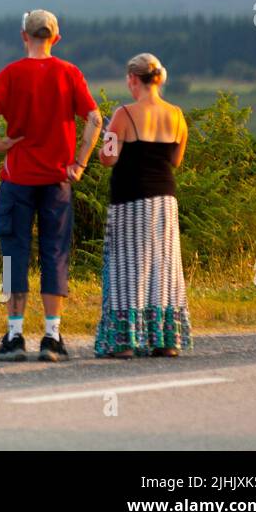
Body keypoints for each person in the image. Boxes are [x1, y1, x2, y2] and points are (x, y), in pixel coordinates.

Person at [0, 9, 102, 362]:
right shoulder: (69, 73)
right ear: (56, 38)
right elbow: (94, 117)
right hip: (58, 179)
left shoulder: (12, 74)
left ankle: (14, 336)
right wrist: (80, 163)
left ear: (24, 36)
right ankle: (52, 336)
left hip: (17, 179)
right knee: (55, 253)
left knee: (15, 254)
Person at [94, 53, 191, 358]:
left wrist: (103, 142)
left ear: (132, 79)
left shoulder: (123, 114)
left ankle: (124, 341)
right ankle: (166, 340)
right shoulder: (176, 115)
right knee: (164, 268)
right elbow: (176, 160)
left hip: (130, 200)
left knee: (126, 268)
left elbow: (108, 157)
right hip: (165, 201)